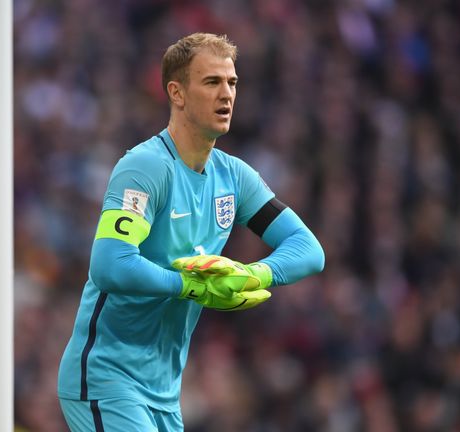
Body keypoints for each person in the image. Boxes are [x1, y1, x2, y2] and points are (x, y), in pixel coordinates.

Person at [57, 32, 325, 431]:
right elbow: (110, 264)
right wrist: (188, 286)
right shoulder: (145, 168)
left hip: (164, 393)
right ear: (177, 93)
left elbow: (308, 249)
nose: (227, 94)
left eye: (232, 82)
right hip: (106, 378)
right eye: (212, 82)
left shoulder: (234, 178)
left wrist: (253, 274)